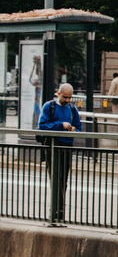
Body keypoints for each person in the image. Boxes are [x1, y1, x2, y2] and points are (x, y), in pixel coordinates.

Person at [36, 82, 81, 223]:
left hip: (67, 146)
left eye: (70, 98)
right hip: (53, 146)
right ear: (58, 94)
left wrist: (74, 130)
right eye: (65, 97)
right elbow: (42, 126)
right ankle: (56, 210)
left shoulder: (73, 110)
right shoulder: (49, 106)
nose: (67, 100)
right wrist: (60, 125)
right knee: (56, 178)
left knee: (63, 179)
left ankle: (59, 210)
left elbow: (79, 128)